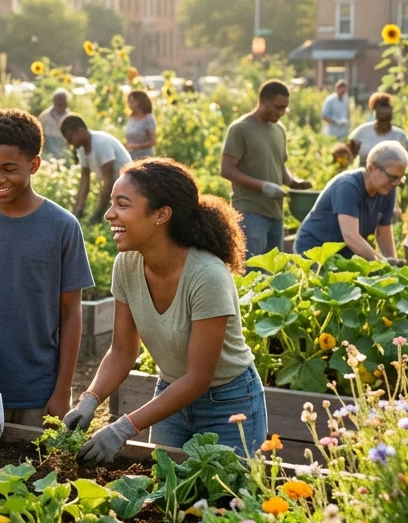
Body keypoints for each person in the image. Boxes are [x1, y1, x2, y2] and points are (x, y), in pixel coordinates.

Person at [63, 158, 266, 462]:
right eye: (111, 204)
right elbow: (121, 350)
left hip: (229, 405)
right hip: (171, 397)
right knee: (165, 499)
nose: (109, 214)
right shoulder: (128, 264)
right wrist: (89, 400)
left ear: (161, 215)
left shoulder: (207, 275)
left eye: (122, 204)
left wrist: (123, 428)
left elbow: (198, 377)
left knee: (224, 503)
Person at [0, 109, 94, 425]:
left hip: (38, 392)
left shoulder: (62, 227)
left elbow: (71, 313)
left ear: (34, 165)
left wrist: (63, 390)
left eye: (8, 169)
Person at [220, 80, 311, 258]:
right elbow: (227, 169)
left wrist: (293, 182)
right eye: (278, 107)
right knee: (251, 272)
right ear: (263, 101)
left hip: (275, 213)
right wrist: (263, 186)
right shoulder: (241, 128)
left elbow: (280, 164)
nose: (282, 112)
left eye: (285, 108)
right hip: (250, 212)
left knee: (274, 274)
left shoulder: (279, 130)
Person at [294, 140, 408, 262]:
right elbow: (351, 237)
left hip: (344, 253)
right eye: (392, 177)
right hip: (314, 249)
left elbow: (383, 233)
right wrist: (383, 263)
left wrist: (394, 268)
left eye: (400, 179)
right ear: (372, 168)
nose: (396, 183)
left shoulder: (387, 189)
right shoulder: (348, 185)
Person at [61, 114, 131, 223]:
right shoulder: (81, 149)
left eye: (71, 138)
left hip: (128, 187)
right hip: (116, 189)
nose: (71, 144)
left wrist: (97, 215)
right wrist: (78, 209)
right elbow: (85, 180)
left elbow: (109, 181)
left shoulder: (101, 143)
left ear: (80, 130)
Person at [348, 93, 408, 166]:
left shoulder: (400, 136)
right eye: (381, 120)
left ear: (391, 118)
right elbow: (348, 153)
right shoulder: (361, 132)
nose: (384, 124)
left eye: (387, 120)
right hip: (364, 175)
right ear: (376, 117)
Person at [123, 90, 157, 160]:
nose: (129, 104)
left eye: (132, 102)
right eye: (128, 102)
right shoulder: (131, 117)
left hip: (144, 157)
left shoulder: (148, 118)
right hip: (131, 156)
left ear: (140, 103)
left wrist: (136, 146)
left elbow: (152, 141)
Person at [38, 89, 72, 159]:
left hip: (64, 150)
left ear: (67, 102)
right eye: (58, 99)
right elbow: (38, 132)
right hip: (47, 149)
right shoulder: (45, 115)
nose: (60, 102)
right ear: (53, 101)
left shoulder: (70, 117)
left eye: (62, 99)